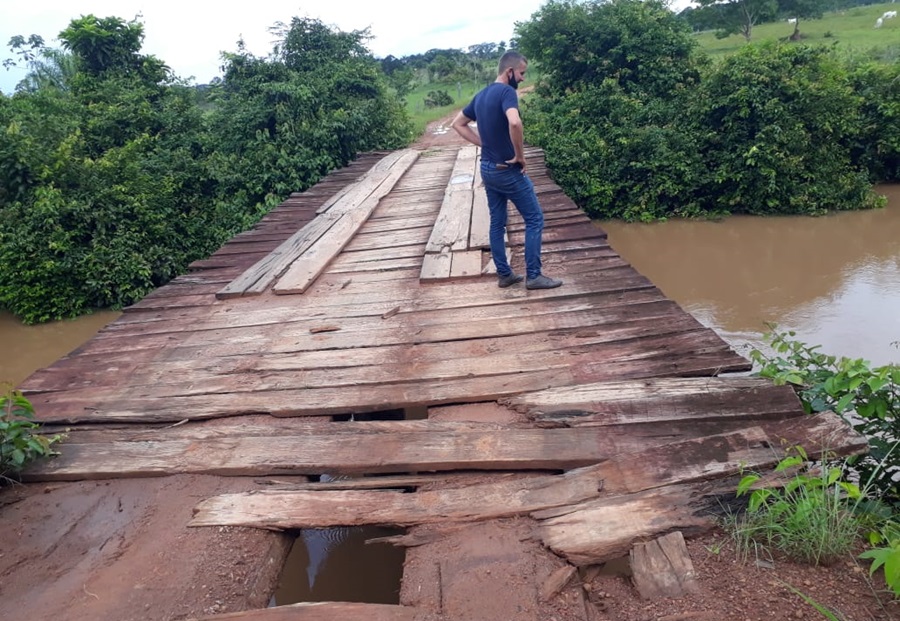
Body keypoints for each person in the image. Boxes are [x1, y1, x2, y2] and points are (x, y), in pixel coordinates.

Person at [451, 51, 562, 290]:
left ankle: (505, 274)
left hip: (488, 169)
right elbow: (514, 121)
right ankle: (534, 276)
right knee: (535, 219)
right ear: (509, 71)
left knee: (497, 223)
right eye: (521, 73)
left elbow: (457, 124)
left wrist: (483, 143)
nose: (522, 78)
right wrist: (520, 156)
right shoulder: (506, 92)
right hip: (506, 170)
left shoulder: (480, 96)